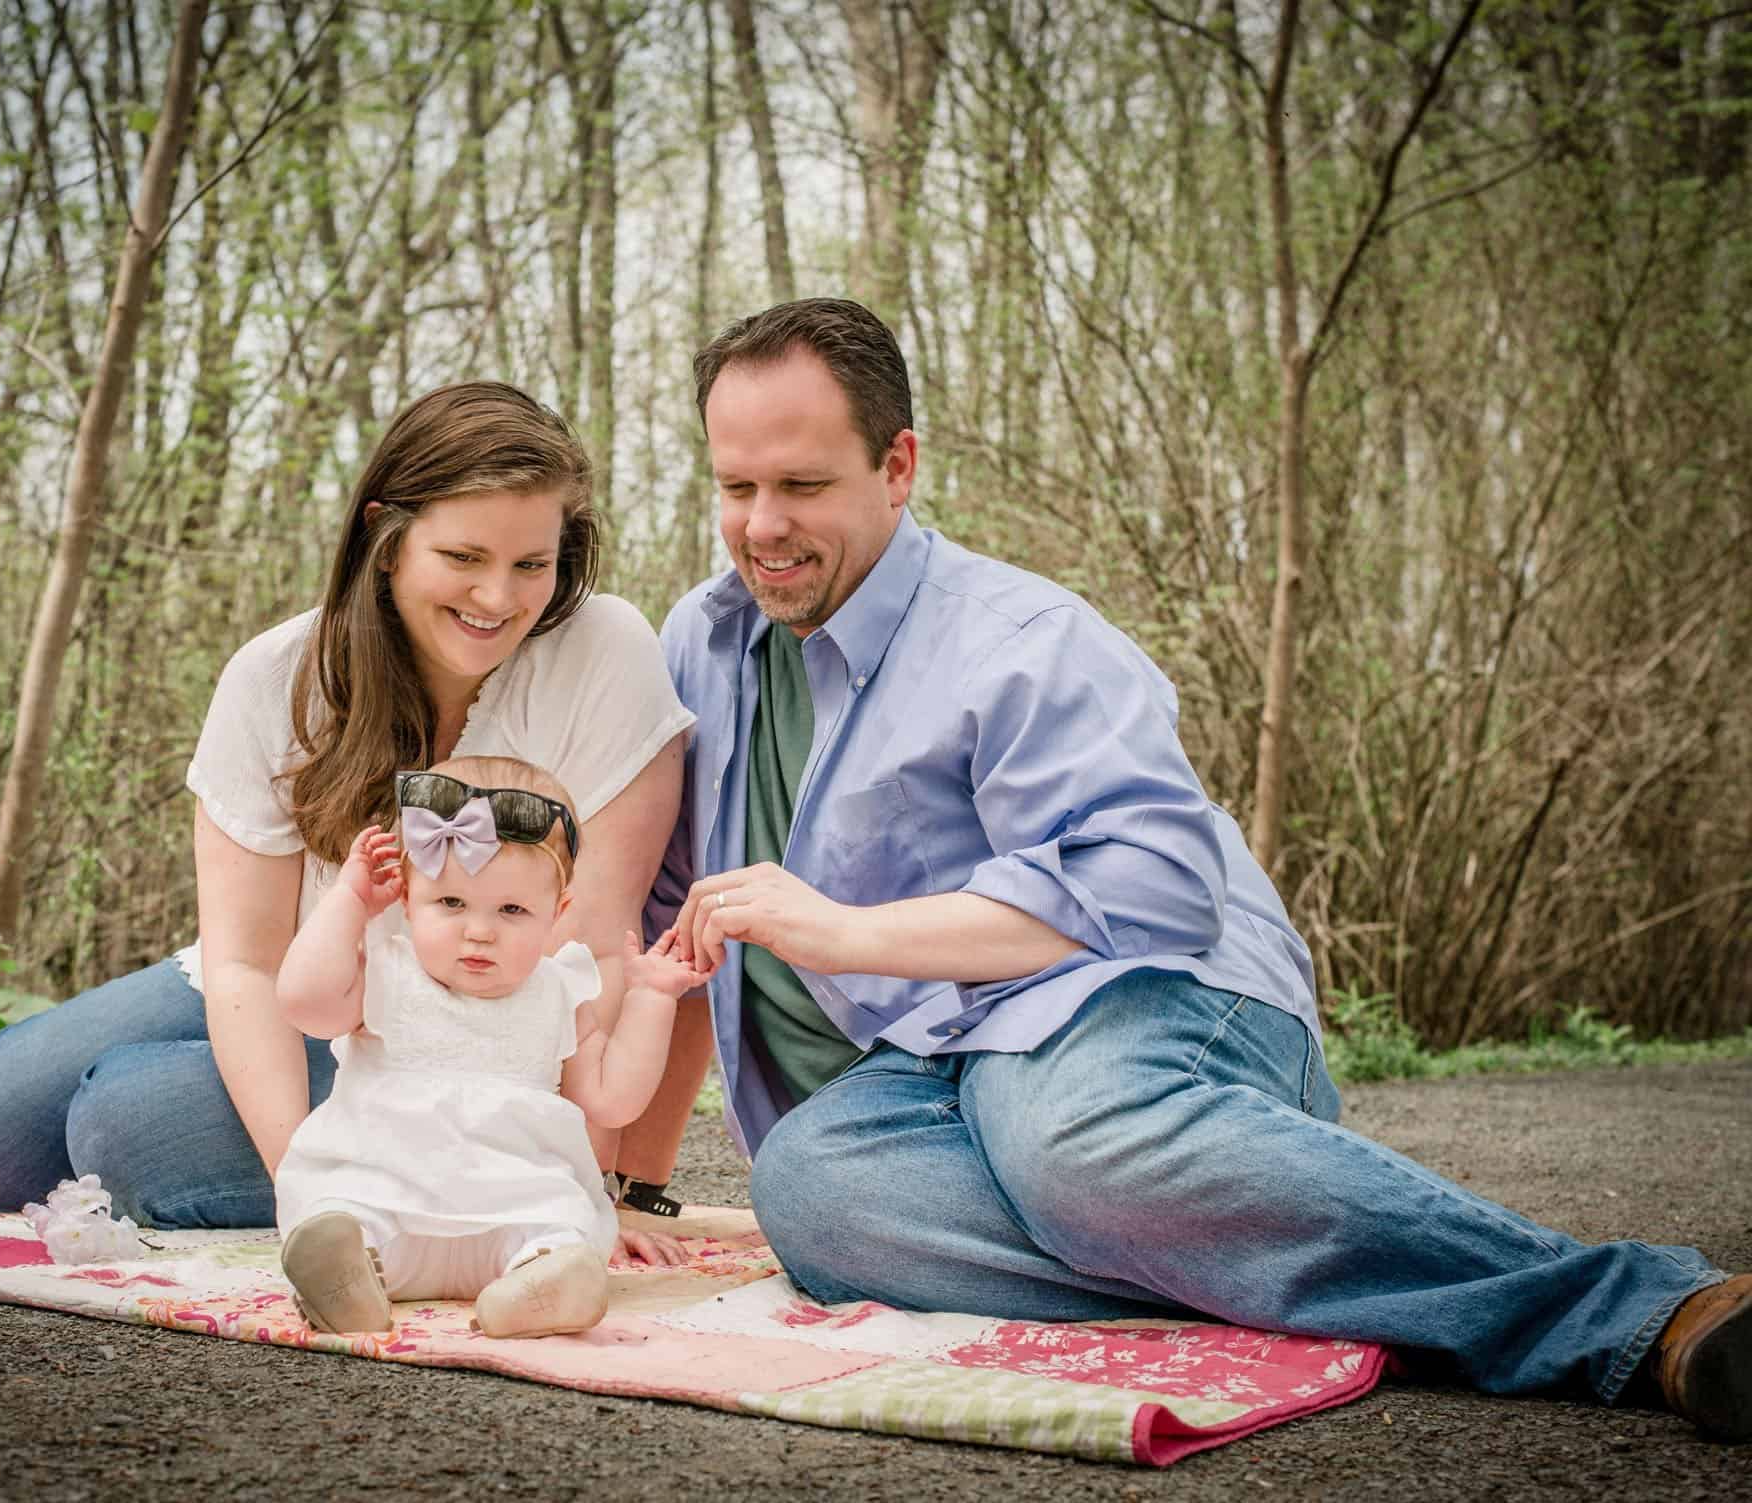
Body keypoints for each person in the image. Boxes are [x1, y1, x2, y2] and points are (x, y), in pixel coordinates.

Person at [644, 296, 1752, 1440]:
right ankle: (1307, 1281)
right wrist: (606, 1181)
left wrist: (851, 934)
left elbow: (1160, 885)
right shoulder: (704, 642)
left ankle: (1648, 1311)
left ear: (898, 465)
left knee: (1063, 1141)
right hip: (940, 1057)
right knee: (814, 1193)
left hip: (1146, 993)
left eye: (803, 486)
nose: (763, 524)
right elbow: (663, 924)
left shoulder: (1023, 640)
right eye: (737, 488)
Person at [0, 381, 713, 1237]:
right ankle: (203, 1104)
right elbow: (246, 964)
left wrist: (593, 1182)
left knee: (124, 1120)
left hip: (483, 1036)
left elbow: (593, 952)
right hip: (302, 982)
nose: (498, 598)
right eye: (464, 558)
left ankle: (351, 1151)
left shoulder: (607, 654)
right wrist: (307, 1186)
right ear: (385, 540)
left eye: (529, 564)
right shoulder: (276, 677)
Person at [273, 757, 714, 1337]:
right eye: (450, 904)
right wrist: (349, 902)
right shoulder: (384, 972)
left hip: (512, 1208)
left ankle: (542, 1284)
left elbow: (611, 1101)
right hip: (387, 1199)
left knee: (564, 1223)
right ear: (406, 899)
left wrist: (652, 999)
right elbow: (304, 1002)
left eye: (512, 910)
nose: (479, 930)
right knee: (339, 1214)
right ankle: (345, 1280)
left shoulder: (561, 991)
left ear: (556, 916)